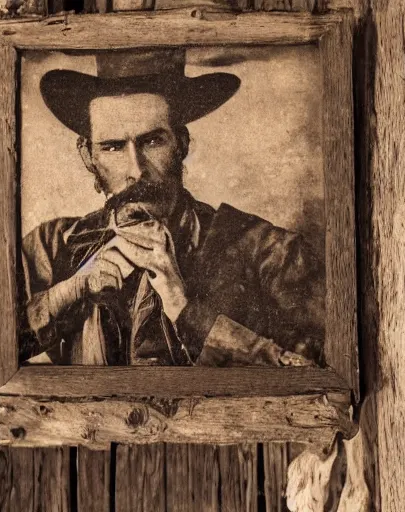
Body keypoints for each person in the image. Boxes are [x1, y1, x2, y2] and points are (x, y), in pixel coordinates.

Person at [19, 49, 324, 367]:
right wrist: (71, 290)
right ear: (87, 156)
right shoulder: (52, 244)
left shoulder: (270, 251)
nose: (135, 170)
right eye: (112, 147)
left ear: (182, 143)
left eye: (152, 142)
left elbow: (320, 375)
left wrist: (183, 306)